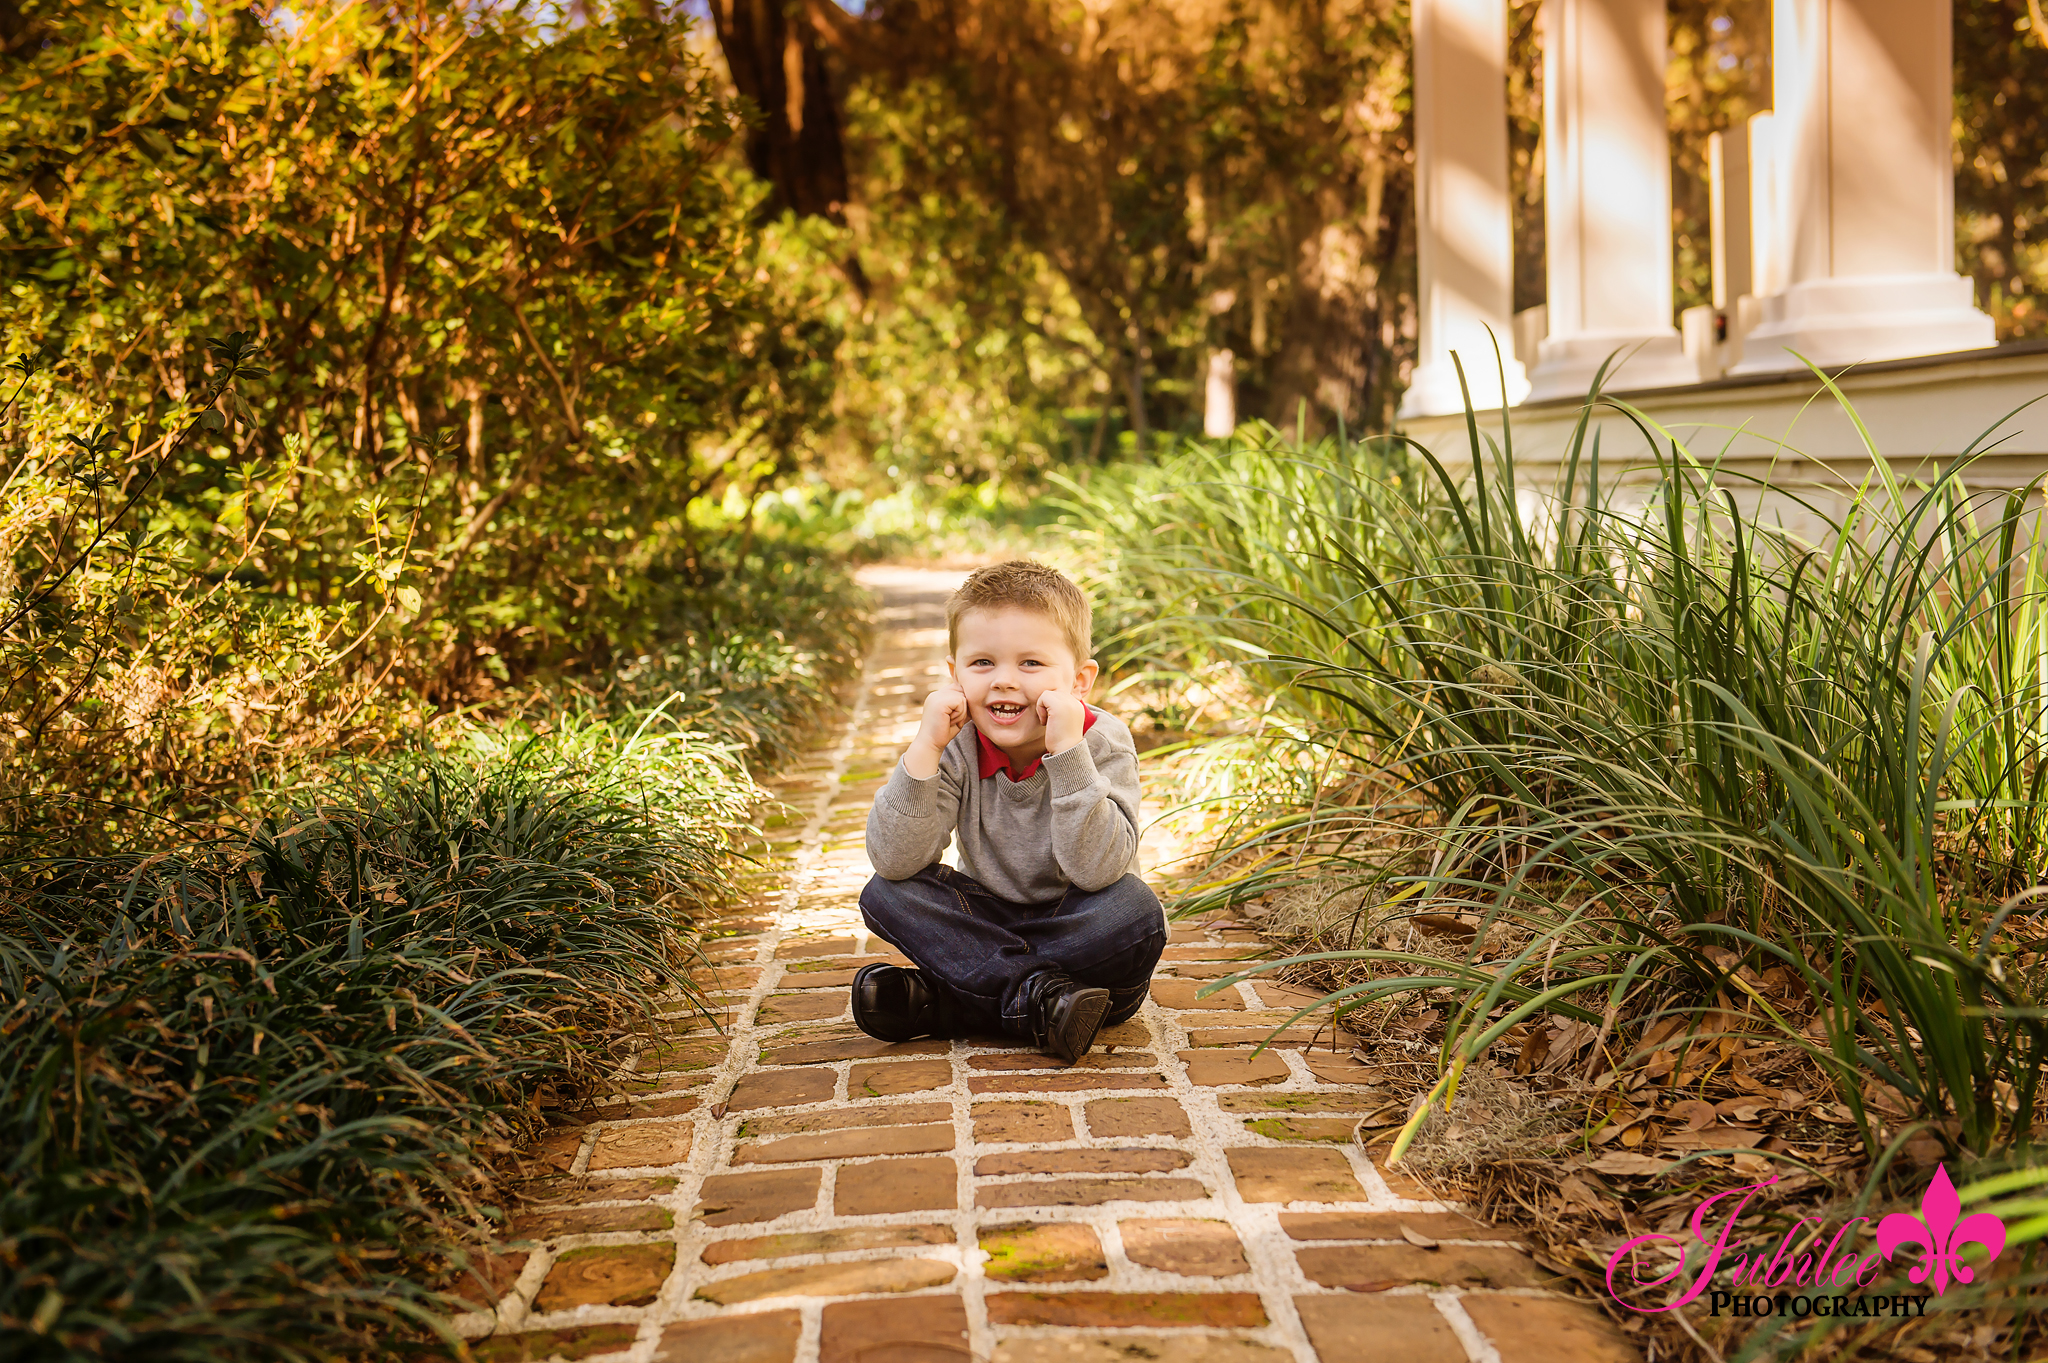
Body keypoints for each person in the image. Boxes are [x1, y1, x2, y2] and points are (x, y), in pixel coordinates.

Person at [855, 560, 1165, 1062]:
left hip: (1082, 935)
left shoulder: (1103, 741)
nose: (1003, 681)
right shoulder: (956, 742)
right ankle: (1038, 999)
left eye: (1030, 664)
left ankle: (955, 1000)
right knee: (887, 893)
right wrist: (924, 749)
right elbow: (894, 860)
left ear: (1079, 682)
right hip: (989, 921)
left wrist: (1067, 755)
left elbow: (1097, 869)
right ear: (954, 675)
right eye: (982, 664)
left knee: (1135, 912)